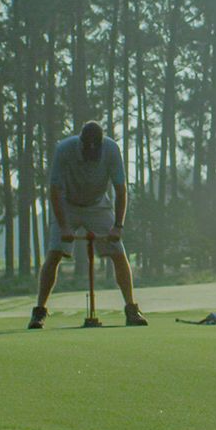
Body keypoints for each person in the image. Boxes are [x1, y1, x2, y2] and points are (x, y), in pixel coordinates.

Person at [27, 121, 147, 329]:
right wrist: (64, 226)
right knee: (54, 253)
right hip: (68, 205)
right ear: (81, 143)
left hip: (98, 205)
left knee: (118, 253)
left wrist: (118, 226)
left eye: (95, 148)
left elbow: (121, 189)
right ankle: (39, 312)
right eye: (87, 148)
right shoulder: (64, 149)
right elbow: (54, 190)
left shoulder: (111, 149)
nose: (91, 153)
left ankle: (131, 309)